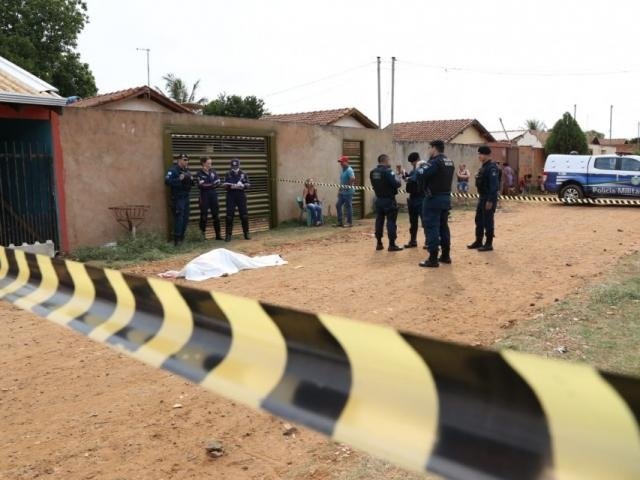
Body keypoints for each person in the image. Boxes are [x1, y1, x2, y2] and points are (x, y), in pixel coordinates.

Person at [416, 140, 455, 268]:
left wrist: (419, 167)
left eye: (429, 148)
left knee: (432, 227)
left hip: (433, 199)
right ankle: (445, 255)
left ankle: (433, 259)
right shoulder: (449, 161)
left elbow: (420, 175)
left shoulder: (434, 162)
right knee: (444, 227)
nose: (428, 151)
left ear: (434, 148)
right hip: (445, 198)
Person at [468, 145, 500, 252]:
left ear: (486, 155)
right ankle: (478, 241)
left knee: (488, 221)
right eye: (479, 154)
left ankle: (488, 244)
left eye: (480, 154)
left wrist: (490, 200)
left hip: (488, 198)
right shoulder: (484, 166)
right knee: (479, 220)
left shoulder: (492, 167)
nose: (479, 156)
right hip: (482, 197)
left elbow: (494, 186)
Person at [370, 154, 402, 251]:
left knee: (379, 221)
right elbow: (397, 184)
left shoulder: (373, 172)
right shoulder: (388, 171)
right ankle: (392, 245)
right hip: (389, 200)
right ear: (385, 161)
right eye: (389, 160)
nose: (389, 162)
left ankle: (379, 243)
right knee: (391, 222)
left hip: (379, 199)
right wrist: (398, 175)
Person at [165, 153, 194, 246]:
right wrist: (179, 179)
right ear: (179, 160)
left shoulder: (187, 170)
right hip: (178, 198)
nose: (186, 161)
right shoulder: (173, 170)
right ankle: (176, 240)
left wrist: (191, 179)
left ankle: (182, 237)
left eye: (187, 160)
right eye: (185, 160)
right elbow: (167, 181)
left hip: (186, 197)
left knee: (185, 219)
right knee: (179, 219)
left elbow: (192, 183)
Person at [223, 158, 251, 241]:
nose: (235, 167)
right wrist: (230, 186)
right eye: (233, 166)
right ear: (231, 166)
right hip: (231, 196)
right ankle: (228, 235)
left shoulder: (243, 173)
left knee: (244, 215)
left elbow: (248, 184)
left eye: (236, 166)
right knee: (229, 216)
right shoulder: (228, 174)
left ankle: (246, 233)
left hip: (241, 195)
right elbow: (224, 185)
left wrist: (243, 185)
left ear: (239, 165)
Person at [402, 152, 426, 248]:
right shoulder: (413, 170)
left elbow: (415, 178)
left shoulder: (423, 168)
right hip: (412, 198)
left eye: (413, 162)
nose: (412, 164)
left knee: (425, 222)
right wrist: (405, 175)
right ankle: (413, 241)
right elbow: (411, 178)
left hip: (421, 199)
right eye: (411, 162)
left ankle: (428, 242)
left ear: (417, 160)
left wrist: (408, 178)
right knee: (413, 222)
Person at [197, 156, 222, 240]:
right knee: (204, 216)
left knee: (216, 215)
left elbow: (218, 183)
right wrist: (212, 184)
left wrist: (210, 185)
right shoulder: (199, 173)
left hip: (213, 195)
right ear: (203, 163)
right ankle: (202, 236)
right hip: (204, 196)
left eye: (211, 163)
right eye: (208, 163)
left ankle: (218, 235)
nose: (210, 165)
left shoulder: (213, 171)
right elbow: (201, 185)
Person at [335, 155, 355, 227]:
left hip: (348, 192)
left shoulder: (349, 170)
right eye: (340, 162)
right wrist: (339, 191)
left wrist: (347, 186)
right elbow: (342, 182)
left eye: (342, 162)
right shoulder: (343, 170)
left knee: (348, 206)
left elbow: (352, 178)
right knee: (338, 205)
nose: (341, 163)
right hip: (342, 192)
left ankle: (349, 223)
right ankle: (340, 221)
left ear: (346, 162)